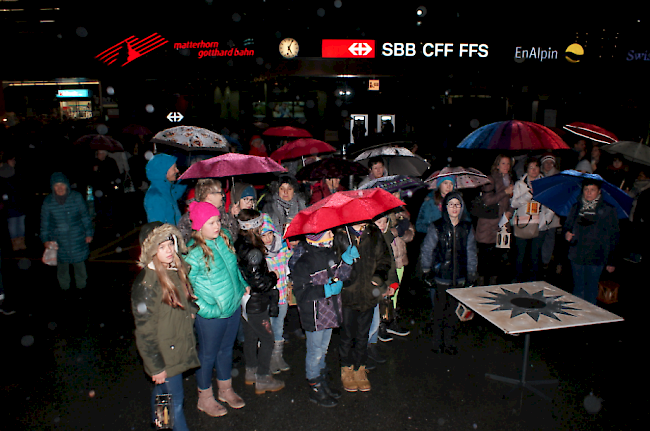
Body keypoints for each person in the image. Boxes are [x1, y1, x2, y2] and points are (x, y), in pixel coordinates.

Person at [131, 222, 200, 431]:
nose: (169, 250)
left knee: (164, 391)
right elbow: (144, 332)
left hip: (177, 341)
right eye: (161, 247)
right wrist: (156, 366)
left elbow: (188, 297)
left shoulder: (176, 268)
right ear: (151, 250)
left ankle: (160, 422)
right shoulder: (147, 286)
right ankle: (169, 424)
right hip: (165, 352)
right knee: (175, 401)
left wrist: (191, 311)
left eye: (170, 243)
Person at [184, 201, 247, 417]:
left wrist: (241, 285)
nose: (217, 225)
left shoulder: (224, 240)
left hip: (232, 307)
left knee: (226, 350)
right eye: (211, 222)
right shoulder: (193, 253)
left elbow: (233, 267)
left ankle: (225, 389)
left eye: (218, 220)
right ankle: (205, 397)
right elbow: (187, 289)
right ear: (199, 226)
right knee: (208, 355)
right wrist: (207, 310)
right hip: (211, 316)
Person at [291, 229, 352, 407]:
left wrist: (346, 262)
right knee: (315, 352)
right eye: (328, 234)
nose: (332, 236)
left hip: (330, 313)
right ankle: (315, 386)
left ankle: (322, 380)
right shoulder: (304, 262)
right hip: (315, 316)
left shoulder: (330, 254)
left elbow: (341, 277)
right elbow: (301, 293)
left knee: (323, 350)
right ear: (315, 238)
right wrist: (325, 290)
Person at [420, 192, 478, 355]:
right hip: (441, 276)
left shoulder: (466, 228)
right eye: (451, 204)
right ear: (445, 207)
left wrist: (471, 272)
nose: (454, 208)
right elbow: (427, 250)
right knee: (439, 311)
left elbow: (471, 251)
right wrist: (426, 270)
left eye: (457, 204)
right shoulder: (436, 226)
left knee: (453, 313)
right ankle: (437, 341)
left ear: (462, 207)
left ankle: (449, 342)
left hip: (458, 277)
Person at [337, 221, 392, 392]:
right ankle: (346, 367)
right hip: (348, 294)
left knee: (363, 334)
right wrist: (344, 260)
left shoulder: (374, 233)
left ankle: (360, 367)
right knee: (347, 334)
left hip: (368, 293)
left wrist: (378, 277)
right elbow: (332, 264)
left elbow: (384, 258)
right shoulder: (341, 234)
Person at [234, 209, 284, 394]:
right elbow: (259, 283)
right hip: (256, 302)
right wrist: (273, 276)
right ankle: (262, 378)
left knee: (251, 337)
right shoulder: (254, 252)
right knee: (267, 339)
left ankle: (251, 371)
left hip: (246, 301)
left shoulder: (240, 244)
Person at [564, 178, 619, 304]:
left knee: (591, 289)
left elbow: (614, 236)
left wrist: (611, 261)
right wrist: (566, 233)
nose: (588, 193)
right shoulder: (576, 207)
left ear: (599, 192)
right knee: (578, 288)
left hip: (596, 255)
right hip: (577, 253)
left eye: (592, 190)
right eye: (586, 189)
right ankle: (577, 315)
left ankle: (589, 318)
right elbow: (567, 226)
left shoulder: (608, 210)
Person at [40, 172, 93, 291]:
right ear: (52, 187)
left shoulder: (76, 197)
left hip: (77, 237)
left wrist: (89, 233)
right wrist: (45, 239)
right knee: (62, 266)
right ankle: (64, 289)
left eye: (62, 185)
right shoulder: (48, 202)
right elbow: (45, 224)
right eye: (56, 185)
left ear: (67, 185)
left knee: (79, 263)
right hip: (58, 239)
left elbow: (85, 216)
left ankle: (82, 288)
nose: (60, 188)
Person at [474, 155, 514, 285]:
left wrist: (510, 211)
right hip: (488, 226)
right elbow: (487, 201)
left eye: (508, 164)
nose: (506, 166)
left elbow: (513, 201)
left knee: (498, 259)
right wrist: (505, 192)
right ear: (497, 165)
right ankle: (481, 288)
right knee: (486, 259)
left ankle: (493, 285)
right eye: (503, 163)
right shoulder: (490, 179)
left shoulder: (510, 180)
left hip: (502, 225)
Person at [260, 214, 292, 374]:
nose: (267, 238)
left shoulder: (282, 245)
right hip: (268, 297)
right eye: (263, 235)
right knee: (268, 328)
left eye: (269, 234)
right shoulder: (259, 252)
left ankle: (277, 357)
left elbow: (289, 262)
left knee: (279, 327)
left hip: (282, 294)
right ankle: (268, 359)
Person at [510, 158, 547, 282]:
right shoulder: (520, 184)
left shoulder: (545, 183)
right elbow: (514, 203)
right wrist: (528, 194)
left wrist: (545, 220)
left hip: (539, 224)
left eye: (536, 167)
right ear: (526, 169)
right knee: (520, 256)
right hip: (523, 224)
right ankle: (517, 282)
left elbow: (550, 205)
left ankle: (534, 283)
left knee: (535, 257)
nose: (534, 170)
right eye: (531, 167)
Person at [178, 179, 237, 243]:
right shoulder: (190, 217)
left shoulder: (221, 212)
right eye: (220, 192)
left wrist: (233, 216)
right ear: (209, 196)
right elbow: (184, 242)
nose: (223, 195)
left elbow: (232, 238)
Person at [144, 153, 187, 225]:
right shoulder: (155, 196)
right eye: (174, 168)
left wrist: (187, 178)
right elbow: (158, 228)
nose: (177, 171)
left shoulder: (166, 189)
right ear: (164, 171)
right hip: (169, 235)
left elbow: (177, 191)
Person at [0, 152, 27, 251]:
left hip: (19, 202)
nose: (13, 162)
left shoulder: (18, 172)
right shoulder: (3, 173)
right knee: (12, 224)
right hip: (10, 203)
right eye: (11, 160)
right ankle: (15, 244)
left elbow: (22, 185)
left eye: (14, 160)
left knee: (20, 224)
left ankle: (21, 243)